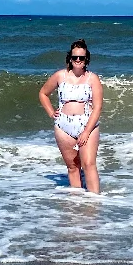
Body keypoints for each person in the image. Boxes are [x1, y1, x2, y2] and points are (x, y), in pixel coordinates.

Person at [39, 39, 103, 193]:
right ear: (70, 58)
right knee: (73, 166)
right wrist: (50, 112)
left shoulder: (92, 78)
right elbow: (43, 93)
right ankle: (77, 204)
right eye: (75, 57)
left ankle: (95, 203)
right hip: (63, 126)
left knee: (88, 164)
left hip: (87, 124)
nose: (78, 61)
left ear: (86, 59)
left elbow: (98, 107)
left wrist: (86, 131)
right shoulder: (60, 76)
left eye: (81, 57)